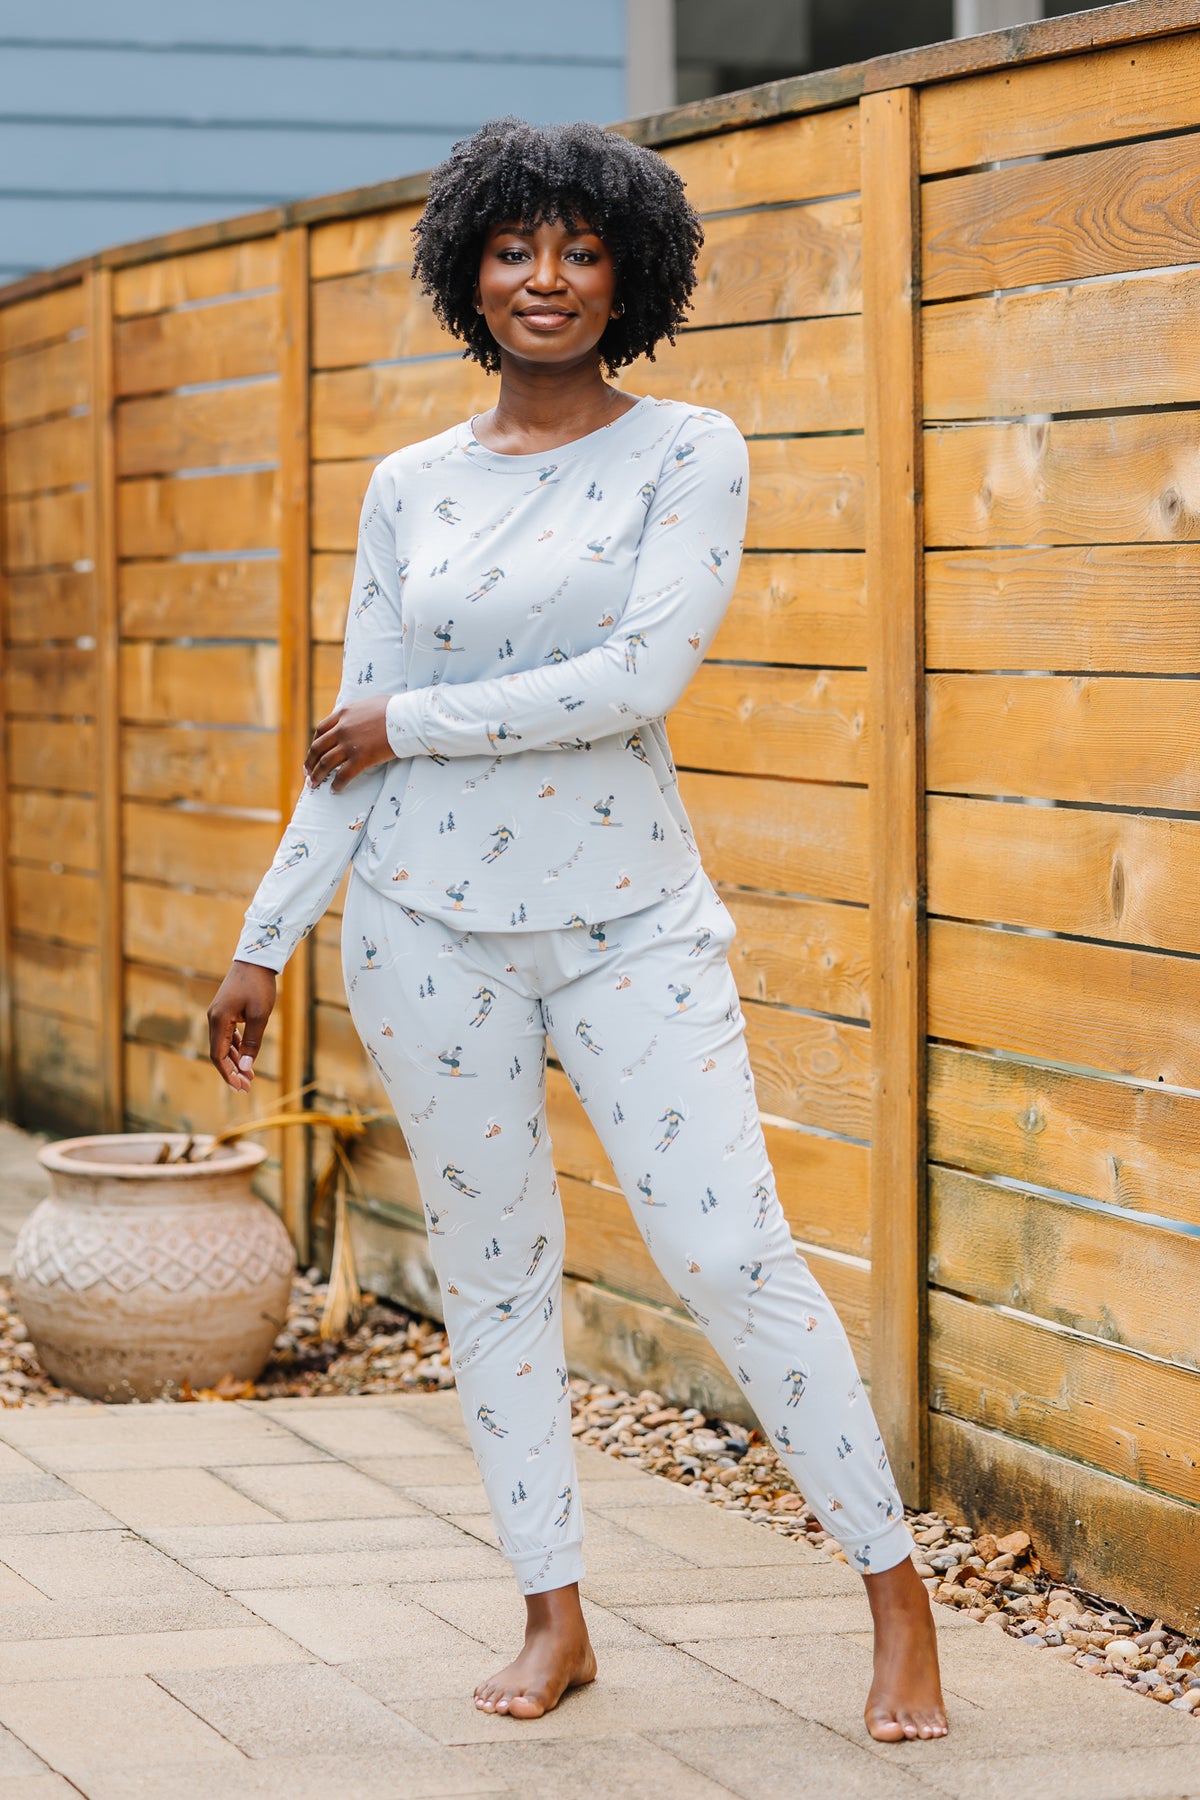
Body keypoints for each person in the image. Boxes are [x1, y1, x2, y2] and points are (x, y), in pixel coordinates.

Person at [208, 115, 947, 1742]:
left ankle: (895, 1594)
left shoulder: (692, 449)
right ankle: (554, 1615)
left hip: (630, 924)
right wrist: (270, 933)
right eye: (516, 248)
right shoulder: (409, 486)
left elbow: (637, 683)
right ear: (469, 270)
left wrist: (420, 721)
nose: (547, 278)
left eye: (583, 249)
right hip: (423, 929)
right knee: (492, 1280)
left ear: (633, 271)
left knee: (731, 1252)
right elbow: (350, 731)